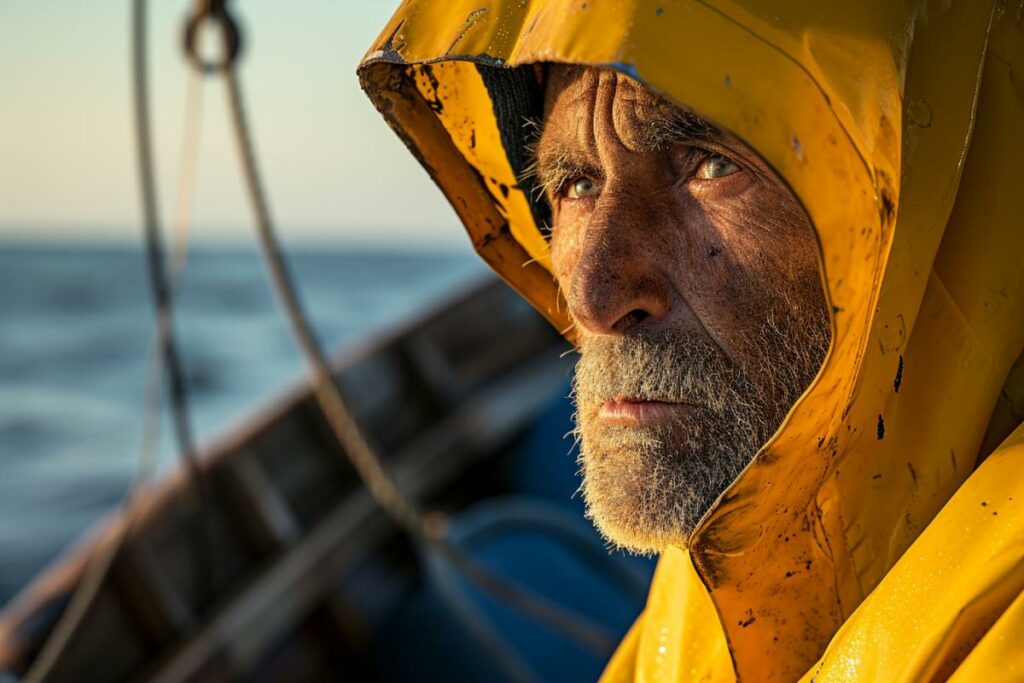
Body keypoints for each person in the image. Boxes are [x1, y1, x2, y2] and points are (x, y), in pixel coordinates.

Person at [359, 2, 1024, 680]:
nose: (591, 297)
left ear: (930, 195)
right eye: (576, 185)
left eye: (708, 165)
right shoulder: (729, 553)